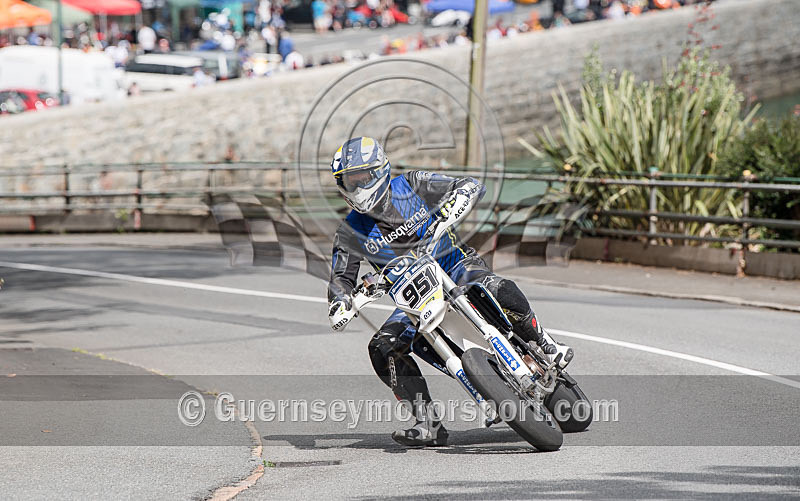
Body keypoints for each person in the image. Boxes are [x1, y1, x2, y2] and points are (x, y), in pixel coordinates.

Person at [326, 137, 573, 447]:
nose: (358, 185)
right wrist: (342, 302)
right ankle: (426, 421)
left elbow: (468, 185)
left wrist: (453, 205)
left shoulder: (413, 184)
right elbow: (339, 280)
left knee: (493, 286)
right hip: (413, 297)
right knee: (382, 345)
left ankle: (543, 343)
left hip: (455, 267)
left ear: (380, 170)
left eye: (363, 176)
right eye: (350, 180)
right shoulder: (350, 231)